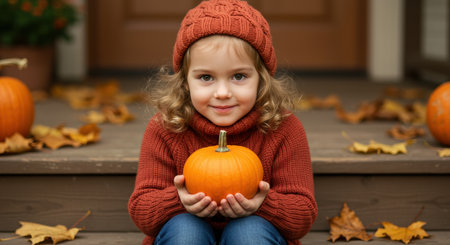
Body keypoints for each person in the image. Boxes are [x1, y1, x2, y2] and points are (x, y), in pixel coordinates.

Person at [128, 0, 318, 244]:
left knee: (248, 232)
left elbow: (302, 215)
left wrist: (264, 203)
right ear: (185, 82)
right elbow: (142, 212)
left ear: (262, 79)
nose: (222, 92)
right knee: (187, 230)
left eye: (239, 76)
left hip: (257, 231)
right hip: (185, 231)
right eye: (206, 77)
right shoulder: (166, 127)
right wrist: (178, 200)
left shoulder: (283, 128)